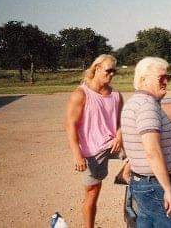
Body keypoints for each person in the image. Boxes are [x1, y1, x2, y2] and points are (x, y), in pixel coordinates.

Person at [122, 56, 171, 227]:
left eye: (168, 77)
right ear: (143, 80)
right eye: (161, 77)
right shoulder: (147, 105)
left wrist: (132, 162)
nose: (166, 82)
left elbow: (137, 140)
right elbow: (152, 150)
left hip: (146, 183)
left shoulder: (136, 102)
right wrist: (167, 189)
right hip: (157, 185)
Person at [65, 54, 123, 228]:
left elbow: (120, 123)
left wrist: (119, 136)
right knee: (92, 192)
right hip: (92, 150)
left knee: (143, 154)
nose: (111, 74)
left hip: (114, 144)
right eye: (108, 70)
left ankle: (126, 175)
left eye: (114, 71)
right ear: (97, 68)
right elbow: (70, 125)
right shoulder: (80, 94)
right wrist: (77, 156)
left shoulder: (117, 95)